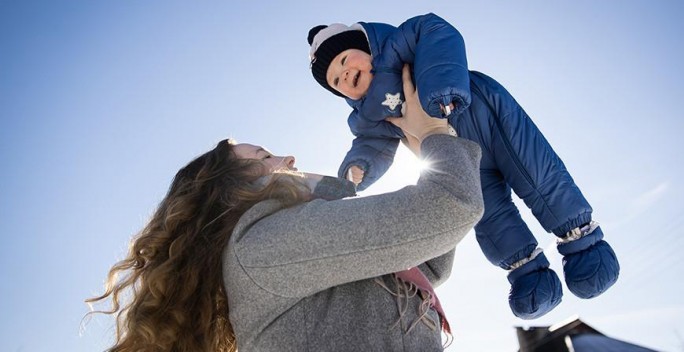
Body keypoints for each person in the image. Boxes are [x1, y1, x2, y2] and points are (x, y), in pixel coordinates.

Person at [86, 66, 484, 352]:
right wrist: (436, 136)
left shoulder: (286, 234)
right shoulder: (264, 243)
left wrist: (428, 149)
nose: (289, 158)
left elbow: (428, 262)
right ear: (232, 189)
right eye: (265, 156)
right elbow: (450, 207)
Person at [307, 12, 620, 319]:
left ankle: (582, 242)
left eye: (345, 60)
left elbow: (436, 31)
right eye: (336, 80)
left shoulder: (399, 46)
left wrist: (440, 86)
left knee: (536, 173)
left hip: (488, 116)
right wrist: (357, 169)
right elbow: (370, 145)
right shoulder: (368, 117)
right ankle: (526, 271)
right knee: (485, 210)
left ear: (366, 45)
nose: (344, 74)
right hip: (455, 154)